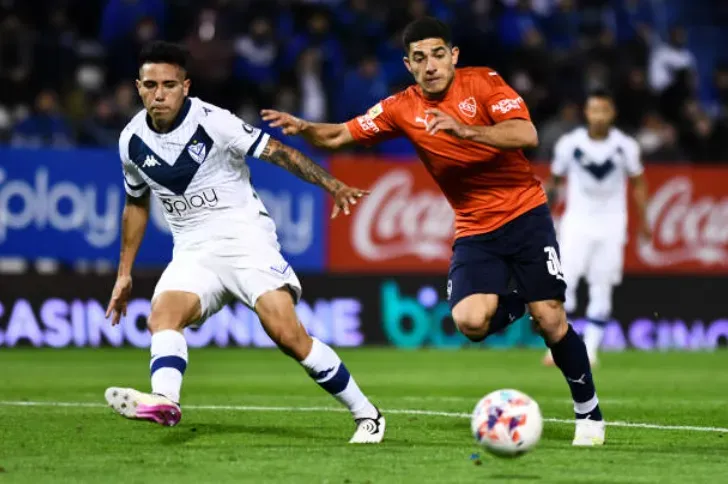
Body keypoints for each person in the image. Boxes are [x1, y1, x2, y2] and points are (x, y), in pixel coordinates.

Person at [262, 17, 606, 446]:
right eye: (419, 58)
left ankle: (588, 414)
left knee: (553, 321)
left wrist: (467, 130)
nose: (430, 66)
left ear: (453, 55)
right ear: (408, 64)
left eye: (438, 55)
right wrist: (306, 127)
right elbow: (338, 136)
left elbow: (526, 132)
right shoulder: (401, 108)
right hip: (475, 228)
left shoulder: (485, 84)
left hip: (526, 215)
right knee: (470, 321)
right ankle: (526, 302)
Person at [104, 41, 385, 444]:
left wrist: (332, 184)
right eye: (150, 85)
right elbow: (135, 204)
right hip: (193, 249)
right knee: (162, 317)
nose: (159, 93)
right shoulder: (130, 140)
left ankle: (367, 414)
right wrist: (124, 274)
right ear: (137, 87)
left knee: (288, 336)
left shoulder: (214, 122)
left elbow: (278, 153)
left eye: (169, 84)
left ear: (186, 85)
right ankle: (165, 399)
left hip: (244, 238)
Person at [543, 90, 650, 367]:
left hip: (612, 224)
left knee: (601, 286)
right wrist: (543, 214)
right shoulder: (569, 144)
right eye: (594, 110)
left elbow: (638, 183)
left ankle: (589, 350)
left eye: (604, 110)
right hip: (576, 222)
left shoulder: (625, 146)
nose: (599, 116)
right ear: (586, 113)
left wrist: (645, 221)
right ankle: (558, 347)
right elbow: (554, 181)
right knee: (564, 285)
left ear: (612, 113)